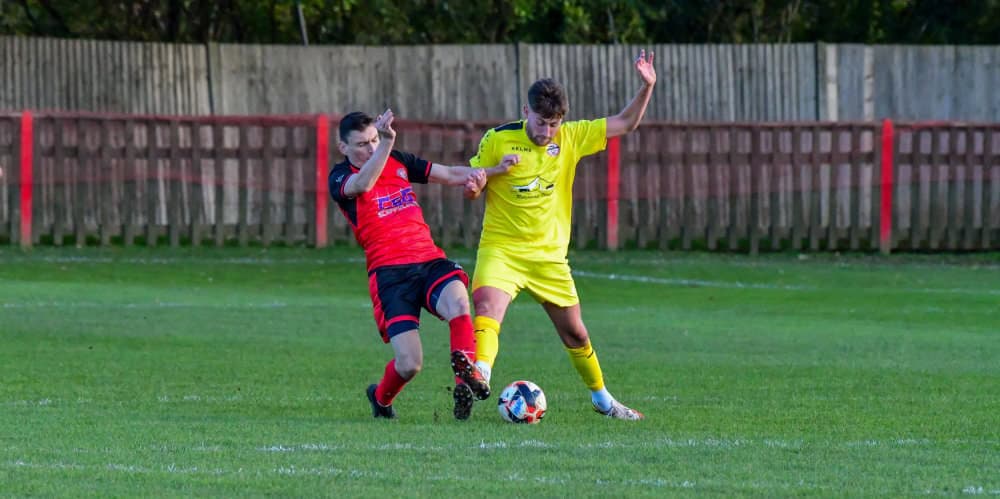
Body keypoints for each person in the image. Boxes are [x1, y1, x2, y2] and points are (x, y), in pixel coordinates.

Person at [465, 50, 657, 421]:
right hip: (502, 250)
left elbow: (625, 123)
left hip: (549, 258)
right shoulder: (497, 139)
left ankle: (603, 400)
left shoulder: (571, 137)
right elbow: (474, 186)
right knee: (488, 309)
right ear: (526, 111)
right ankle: (480, 376)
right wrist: (477, 185)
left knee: (576, 334)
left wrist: (647, 87)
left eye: (553, 124)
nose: (546, 132)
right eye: (541, 122)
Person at [330, 109, 517, 421]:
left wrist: (495, 170)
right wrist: (387, 143)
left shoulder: (398, 160)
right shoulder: (340, 177)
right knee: (410, 364)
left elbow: (450, 174)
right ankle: (380, 398)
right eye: (362, 144)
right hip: (390, 274)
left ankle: (464, 386)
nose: (372, 148)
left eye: (375, 140)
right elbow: (362, 184)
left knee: (460, 305)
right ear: (343, 148)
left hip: (429, 260)